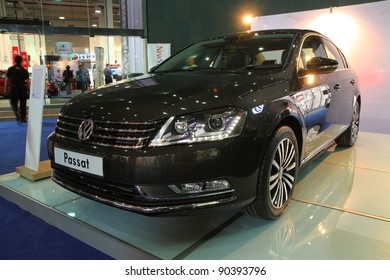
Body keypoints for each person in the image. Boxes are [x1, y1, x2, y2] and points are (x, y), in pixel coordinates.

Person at [5, 55, 30, 123]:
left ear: (14, 61)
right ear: (21, 61)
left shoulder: (10, 69)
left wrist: (6, 89)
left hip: (14, 87)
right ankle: (23, 118)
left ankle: (17, 113)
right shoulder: (24, 70)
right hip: (22, 88)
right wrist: (29, 90)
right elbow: (28, 81)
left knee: (13, 103)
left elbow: (7, 80)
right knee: (23, 103)